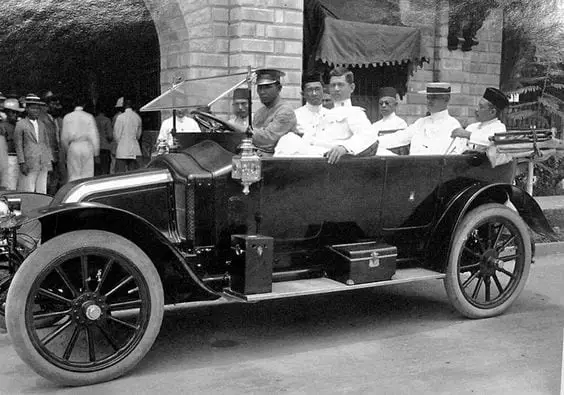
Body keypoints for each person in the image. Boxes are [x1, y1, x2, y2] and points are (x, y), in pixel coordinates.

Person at [378, 82, 466, 155]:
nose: (429, 101)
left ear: (446, 99)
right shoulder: (420, 123)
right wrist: (372, 143)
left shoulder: (453, 126)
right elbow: (399, 138)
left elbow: (454, 155)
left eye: (434, 97)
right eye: (428, 97)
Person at [228, 68, 297, 155]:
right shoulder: (260, 113)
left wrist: (235, 127)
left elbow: (267, 139)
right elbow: (253, 141)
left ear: (279, 88)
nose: (262, 92)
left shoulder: (285, 111)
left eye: (267, 87)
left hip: (279, 162)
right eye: (260, 88)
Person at [14, 94, 53, 193]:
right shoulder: (21, 124)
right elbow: (18, 145)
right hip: (29, 161)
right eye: (32, 108)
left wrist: (49, 160)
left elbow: (46, 143)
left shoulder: (42, 124)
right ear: (27, 109)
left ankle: (42, 208)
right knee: (28, 189)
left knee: (42, 190)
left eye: (37, 108)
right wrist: (22, 162)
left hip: (42, 161)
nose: (35, 110)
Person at [450, 87, 510, 151]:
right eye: (478, 105)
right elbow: (458, 148)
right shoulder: (472, 127)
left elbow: (492, 142)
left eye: (481, 107)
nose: (476, 110)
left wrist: (467, 135)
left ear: (492, 112)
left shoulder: (499, 128)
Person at [61, 97, 100, 182]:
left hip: (73, 146)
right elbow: (94, 136)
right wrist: (96, 153)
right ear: (84, 105)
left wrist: (66, 151)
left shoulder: (67, 117)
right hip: (86, 146)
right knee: (87, 174)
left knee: (73, 174)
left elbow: (64, 138)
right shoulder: (89, 116)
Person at [294, 72, 329, 139]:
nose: (314, 93)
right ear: (303, 94)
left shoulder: (331, 115)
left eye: (317, 89)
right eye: (309, 90)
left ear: (323, 91)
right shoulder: (295, 115)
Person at [0, 98, 24, 190]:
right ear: (6, 112)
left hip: (18, 159)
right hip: (7, 158)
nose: (15, 115)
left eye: (16, 112)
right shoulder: (2, 126)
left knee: (17, 187)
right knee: (9, 187)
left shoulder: (18, 125)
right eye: (12, 112)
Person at [114, 99, 142, 173]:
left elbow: (117, 134)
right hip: (134, 149)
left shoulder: (120, 117)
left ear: (123, 106)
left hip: (122, 149)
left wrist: (120, 143)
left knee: (121, 173)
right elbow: (138, 135)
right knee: (133, 173)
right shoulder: (137, 117)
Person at [95, 104, 113, 175]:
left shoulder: (93, 119)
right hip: (105, 146)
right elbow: (110, 135)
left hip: (95, 146)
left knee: (96, 169)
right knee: (105, 168)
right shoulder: (107, 120)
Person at [110, 96, 124, 174]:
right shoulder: (121, 117)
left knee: (114, 165)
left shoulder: (115, 117)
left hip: (115, 144)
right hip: (120, 144)